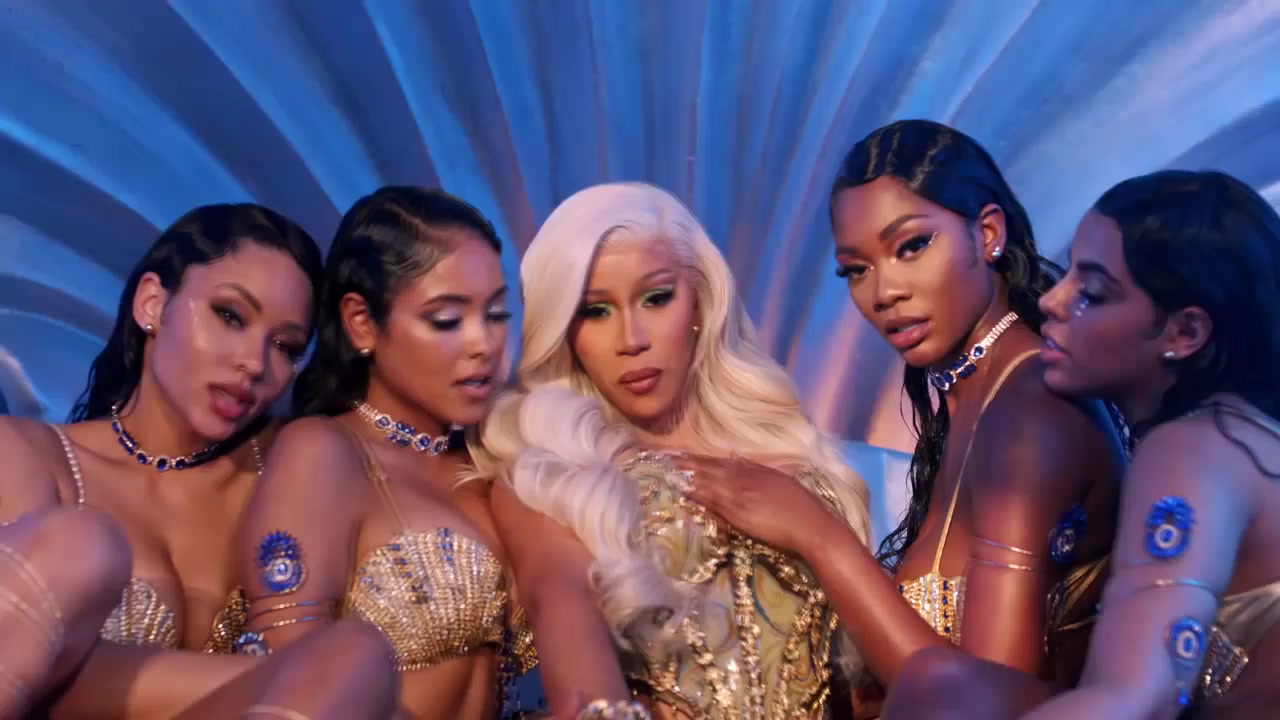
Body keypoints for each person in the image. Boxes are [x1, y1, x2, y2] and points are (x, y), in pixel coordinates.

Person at [683, 120, 1127, 718]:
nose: (883, 291)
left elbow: (981, 701)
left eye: (911, 246)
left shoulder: (1030, 414)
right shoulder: (971, 400)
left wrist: (818, 535)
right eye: (856, 269)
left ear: (987, 234)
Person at [885, 170, 1280, 719]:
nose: (1052, 299)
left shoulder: (1190, 449)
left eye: (1091, 294)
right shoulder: (1237, 433)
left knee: (942, 689)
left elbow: (1135, 699)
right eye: (1067, 272)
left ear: (1186, 332)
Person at [470, 182, 873, 719]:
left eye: (656, 298)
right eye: (596, 311)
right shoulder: (556, 478)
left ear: (701, 300)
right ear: (565, 333)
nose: (631, 339)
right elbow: (563, 617)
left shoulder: (797, 458)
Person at [0, 203, 397, 719]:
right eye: (230, 316)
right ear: (152, 304)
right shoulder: (30, 455)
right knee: (80, 543)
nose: (254, 363)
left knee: (355, 654)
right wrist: (305, 676)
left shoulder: (293, 470)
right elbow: (34, 666)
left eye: (285, 346)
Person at [233, 186, 536, 719]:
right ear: (361, 322)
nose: (484, 344)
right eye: (447, 319)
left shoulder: (494, 460)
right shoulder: (322, 452)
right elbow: (286, 671)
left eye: (495, 314)